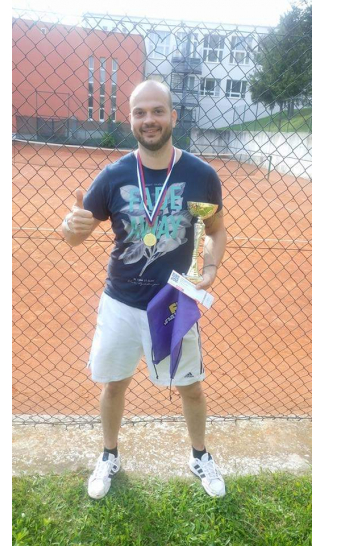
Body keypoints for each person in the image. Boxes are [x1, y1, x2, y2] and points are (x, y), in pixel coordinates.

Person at [62, 80, 227, 500]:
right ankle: (109, 455)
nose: (148, 120)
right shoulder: (114, 175)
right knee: (114, 384)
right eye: (140, 112)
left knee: (190, 386)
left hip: (173, 303)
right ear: (131, 119)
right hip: (120, 301)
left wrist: (209, 266)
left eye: (157, 111)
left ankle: (200, 455)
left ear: (173, 116)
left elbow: (215, 230)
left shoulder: (201, 175)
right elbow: (76, 235)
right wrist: (71, 226)